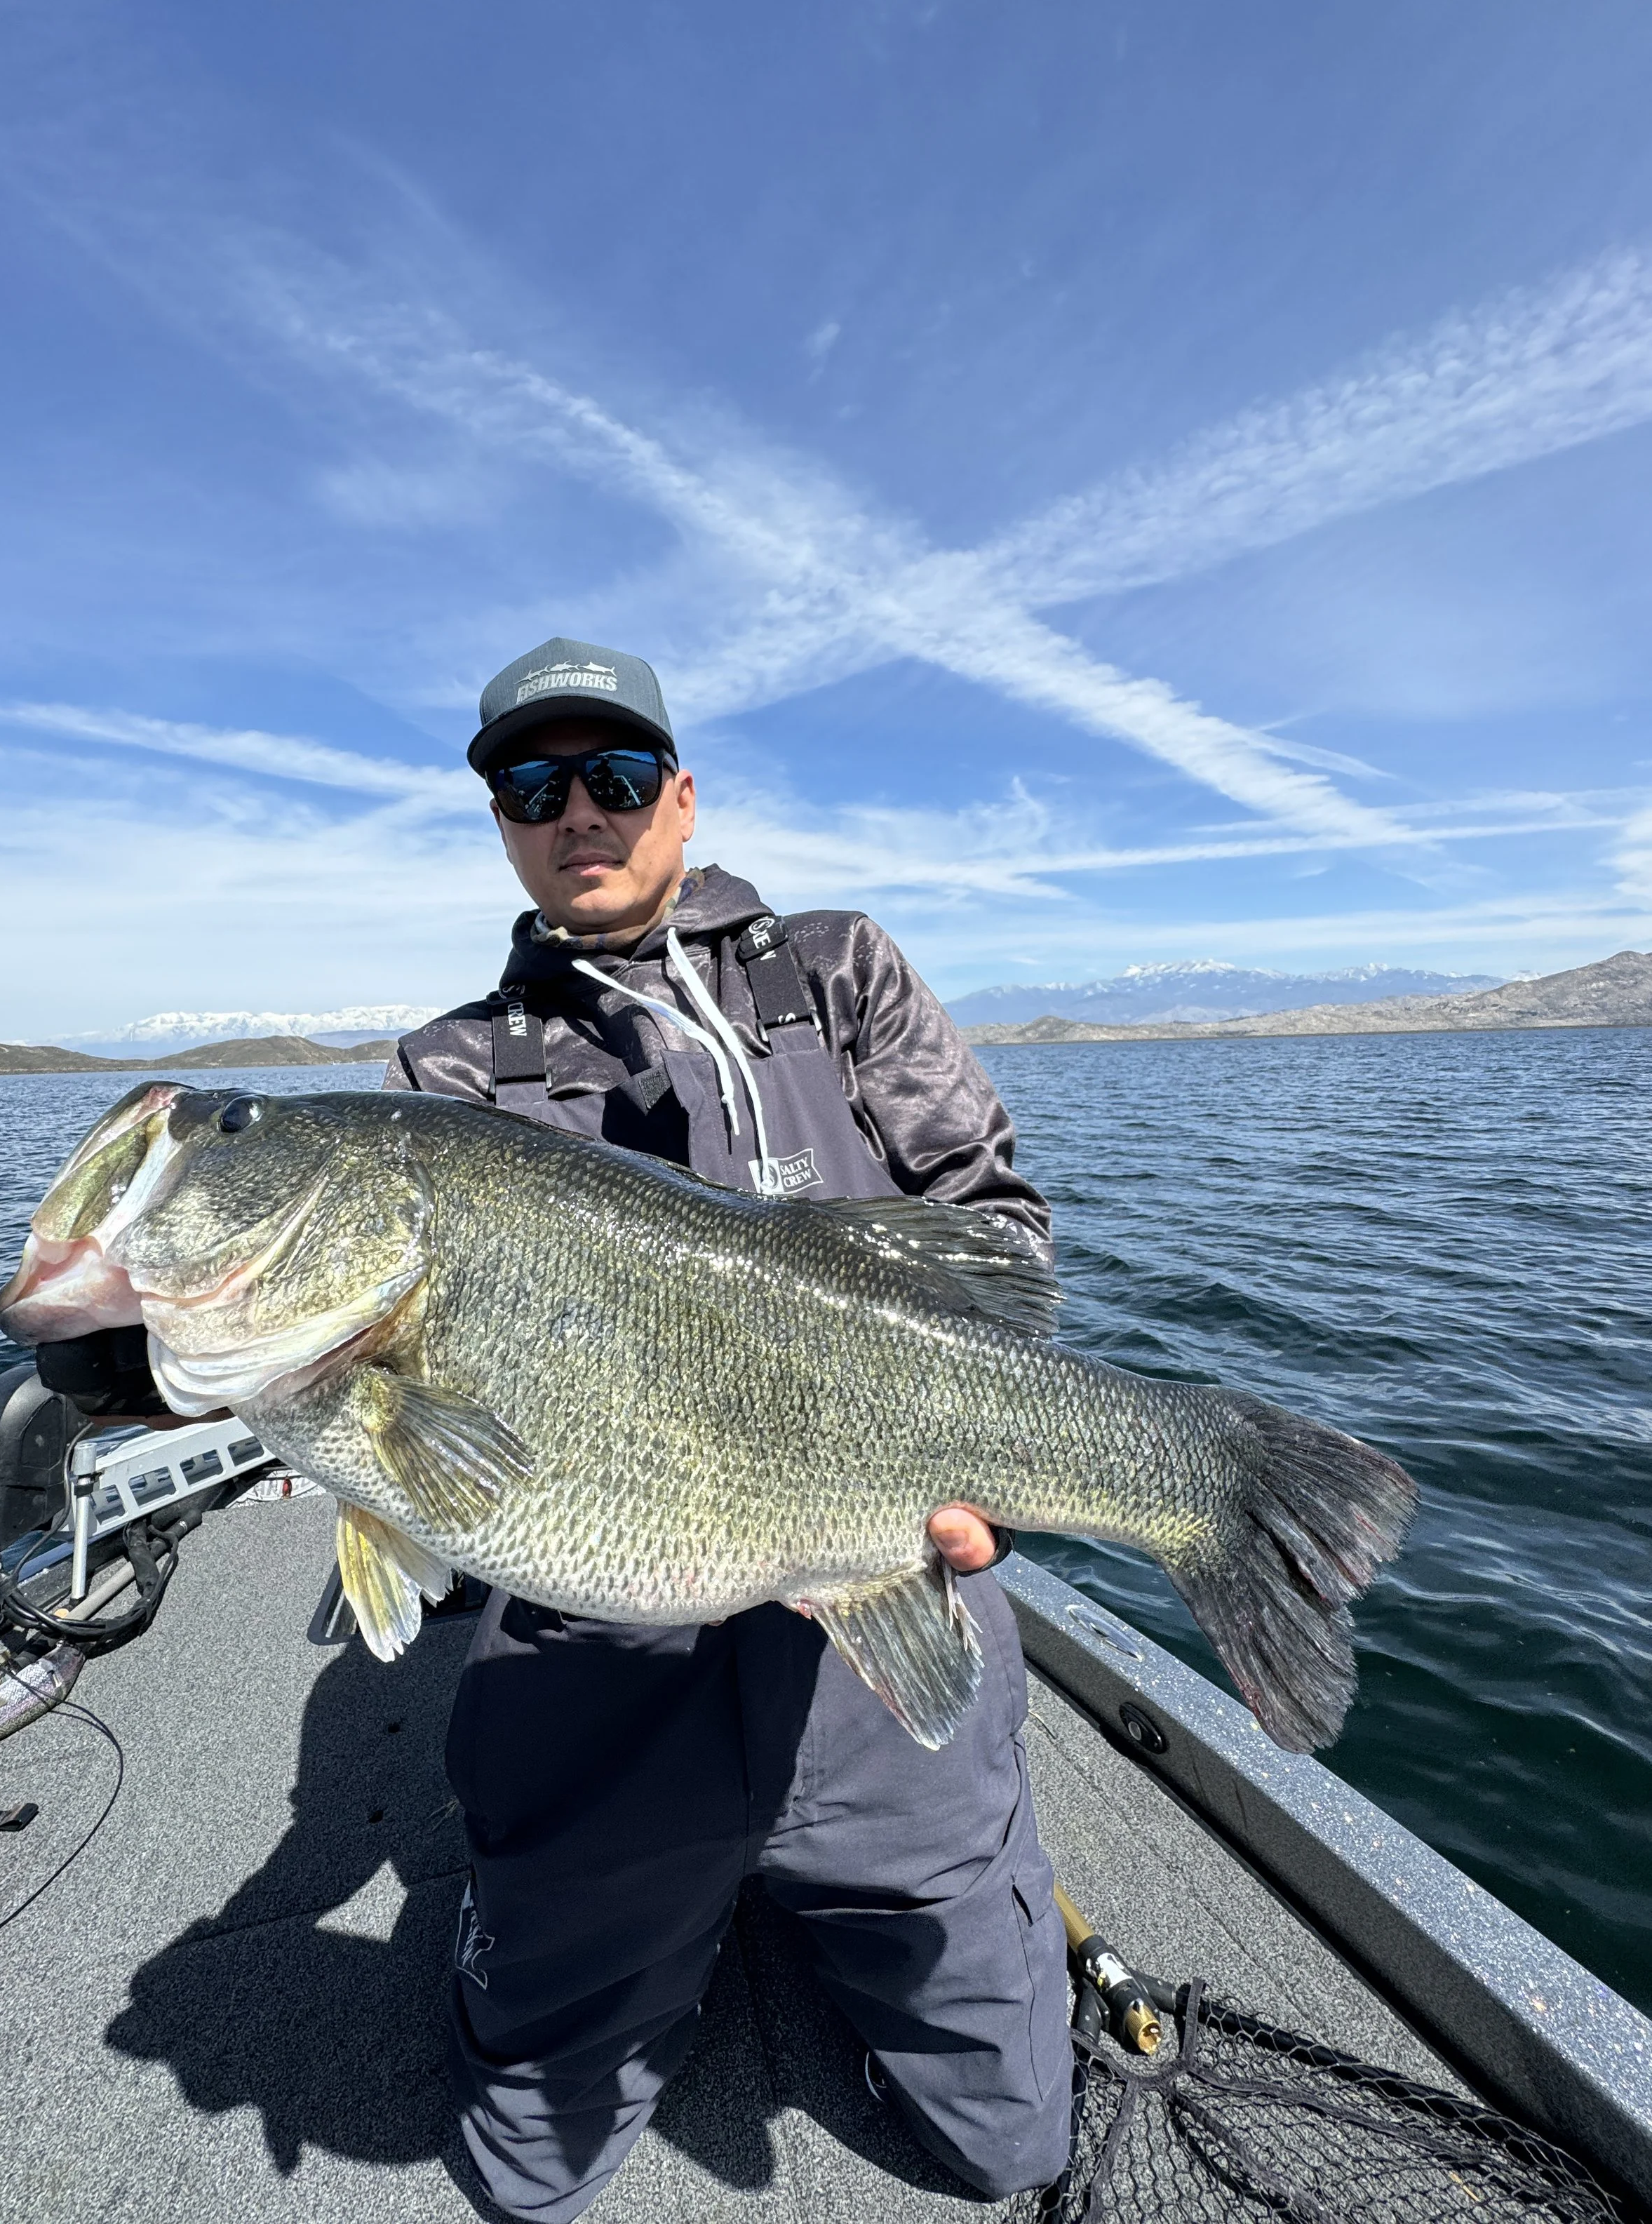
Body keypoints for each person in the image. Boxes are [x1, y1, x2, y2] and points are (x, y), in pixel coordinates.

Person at [384, 637, 1073, 2222]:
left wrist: (987, 1472)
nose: (580, 811)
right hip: (601, 1676)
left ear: (679, 797)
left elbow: (993, 1232)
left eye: (616, 776)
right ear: (498, 817)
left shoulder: (835, 972)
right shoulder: (451, 1076)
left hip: (878, 1647)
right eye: (531, 783)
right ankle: (651, 1917)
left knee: (1012, 2145)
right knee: (523, 2175)